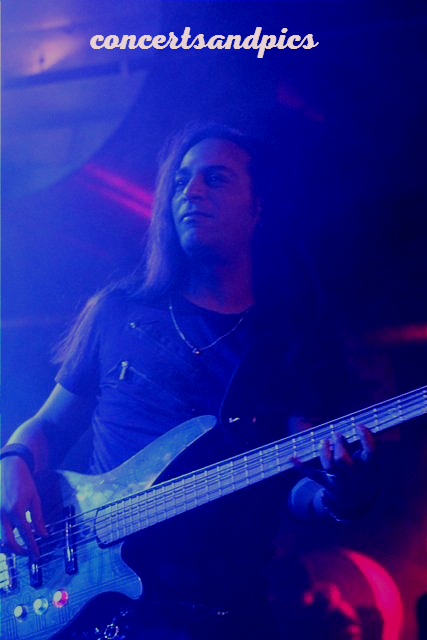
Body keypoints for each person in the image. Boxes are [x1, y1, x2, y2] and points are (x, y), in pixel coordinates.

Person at [0, 124, 377, 639]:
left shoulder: (293, 338)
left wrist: (344, 495)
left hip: (226, 615)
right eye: (181, 181)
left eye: (216, 179)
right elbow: (49, 425)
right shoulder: (117, 313)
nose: (192, 192)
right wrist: (13, 462)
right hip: (107, 612)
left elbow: (297, 484)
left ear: (258, 207)